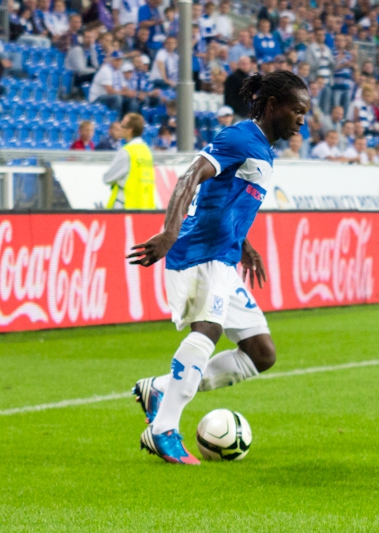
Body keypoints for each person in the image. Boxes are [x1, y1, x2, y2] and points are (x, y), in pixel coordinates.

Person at [128, 71, 310, 464]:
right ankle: (163, 430)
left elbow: (225, 198)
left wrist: (244, 244)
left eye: (305, 113)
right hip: (198, 253)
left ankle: (159, 389)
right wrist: (169, 232)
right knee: (207, 331)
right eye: (297, 110)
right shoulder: (239, 137)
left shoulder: (263, 149)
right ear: (274, 105)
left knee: (261, 353)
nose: (302, 119)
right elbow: (192, 175)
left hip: (224, 257)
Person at [103, 113, 155, 209]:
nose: (120, 128)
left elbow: (107, 178)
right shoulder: (147, 151)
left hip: (126, 208)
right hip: (145, 207)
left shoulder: (127, 152)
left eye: (122, 126)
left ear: (129, 130)